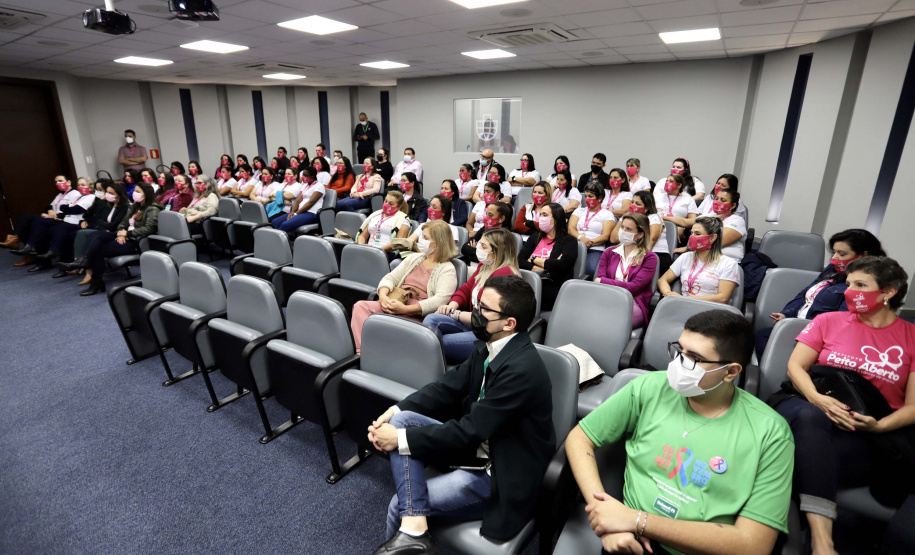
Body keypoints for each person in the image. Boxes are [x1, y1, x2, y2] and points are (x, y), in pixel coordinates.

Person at [566, 310, 794, 555]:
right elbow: (580, 438)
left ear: (730, 372)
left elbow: (753, 545)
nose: (678, 363)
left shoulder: (770, 432)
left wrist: (637, 520)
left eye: (694, 357)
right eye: (680, 350)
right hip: (628, 542)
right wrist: (607, 519)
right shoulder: (650, 388)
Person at [370, 275, 553, 555]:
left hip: (499, 471)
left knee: (398, 506)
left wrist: (399, 440)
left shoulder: (522, 371)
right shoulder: (490, 345)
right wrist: (395, 409)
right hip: (478, 447)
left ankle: (412, 528)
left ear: (509, 323)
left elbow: (470, 429)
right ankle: (415, 527)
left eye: (484, 309)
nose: (474, 312)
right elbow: (447, 386)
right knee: (401, 420)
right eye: (477, 304)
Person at [776, 257, 915, 555]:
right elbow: (795, 367)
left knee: (796, 460)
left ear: (888, 292)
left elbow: (912, 406)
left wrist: (878, 426)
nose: (850, 292)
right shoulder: (827, 321)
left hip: (864, 430)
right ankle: (823, 541)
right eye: (849, 284)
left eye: (861, 285)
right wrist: (818, 398)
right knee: (809, 417)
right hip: (805, 406)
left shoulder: (911, 337)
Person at [754, 229, 885, 359]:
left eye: (842, 254)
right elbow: (805, 294)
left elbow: (843, 322)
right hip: (797, 325)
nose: (834, 258)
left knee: (768, 341)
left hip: (817, 335)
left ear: (864, 256)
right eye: (834, 252)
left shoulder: (864, 286)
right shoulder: (832, 270)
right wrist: (787, 314)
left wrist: (801, 328)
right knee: (762, 336)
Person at [350, 220, 458, 353]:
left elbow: (440, 300)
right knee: (360, 306)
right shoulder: (415, 258)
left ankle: (379, 353)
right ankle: (362, 352)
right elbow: (390, 278)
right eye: (422, 236)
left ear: (438, 243)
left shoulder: (447, 269)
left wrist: (405, 309)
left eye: (425, 238)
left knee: (390, 324)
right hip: (396, 301)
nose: (420, 240)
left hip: (416, 312)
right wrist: (383, 296)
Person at [423, 227, 520, 364]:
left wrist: (454, 314)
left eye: (484, 246)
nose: (478, 248)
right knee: (431, 321)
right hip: (472, 323)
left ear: (497, 252)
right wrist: (452, 305)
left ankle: (427, 366)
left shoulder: (505, 274)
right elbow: (466, 289)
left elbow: (485, 317)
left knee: (436, 344)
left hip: (489, 333)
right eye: (480, 244)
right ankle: (426, 363)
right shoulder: (485, 265)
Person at [81, 182, 161, 296]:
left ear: (146, 194)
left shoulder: (152, 209)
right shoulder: (135, 206)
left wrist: (127, 233)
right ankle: (84, 262)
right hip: (124, 236)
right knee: (95, 235)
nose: (134, 193)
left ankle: (93, 278)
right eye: (135, 191)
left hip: (136, 241)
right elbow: (123, 223)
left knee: (97, 249)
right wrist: (121, 233)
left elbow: (149, 228)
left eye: (138, 192)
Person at [595, 213, 659, 329]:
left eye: (628, 229)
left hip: (633, 302)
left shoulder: (649, 258)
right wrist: (602, 282)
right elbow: (601, 285)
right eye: (622, 227)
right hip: (607, 298)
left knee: (610, 320)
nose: (623, 231)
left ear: (640, 235)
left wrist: (603, 281)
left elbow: (634, 287)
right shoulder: (608, 252)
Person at [56, 182, 129, 281]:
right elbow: (91, 214)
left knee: (94, 237)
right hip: (104, 229)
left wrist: (98, 220)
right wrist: (99, 208)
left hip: (114, 232)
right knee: (81, 233)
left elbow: (112, 225)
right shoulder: (109, 204)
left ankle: (83, 266)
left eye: (111, 193)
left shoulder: (124, 206)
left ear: (119, 195)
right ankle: (79, 262)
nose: (107, 195)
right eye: (107, 192)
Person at [658, 217, 740, 304]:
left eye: (697, 234)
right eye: (691, 233)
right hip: (683, 306)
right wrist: (669, 294)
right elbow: (662, 280)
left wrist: (684, 299)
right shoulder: (685, 257)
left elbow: (723, 298)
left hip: (712, 309)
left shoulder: (729, 264)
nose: (692, 237)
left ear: (712, 238)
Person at [23, 178, 97, 272]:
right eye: (78, 185)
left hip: (76, 222)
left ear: (90, 187)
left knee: (59, 228)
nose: (79, 187)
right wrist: (66, 207)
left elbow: (75, 210)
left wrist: (67, 207)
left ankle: (54, 252)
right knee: (45, 228)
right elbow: (62, 207)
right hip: (67, 220)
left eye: (83, 185)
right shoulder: (80, 197)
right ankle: (41, 255)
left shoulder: (90, 197)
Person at [5, 176, 82, 266]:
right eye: (56, 182)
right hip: (52, 217)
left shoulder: (75, 194)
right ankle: (18, 240)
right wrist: (49, 211)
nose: (58, 183)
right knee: (25, 218)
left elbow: (72, 209)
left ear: (68, 182)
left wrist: (55, 215)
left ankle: (26, 245)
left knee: (38, 223)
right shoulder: (60, 195)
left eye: (60, 181)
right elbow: (49, 207)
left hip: (63, 219)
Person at [519, 202, 578, 311]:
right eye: (540, 214)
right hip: (528, 281)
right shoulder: (535, 237)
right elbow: (519, 260)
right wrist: (543, 270)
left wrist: (533, 259)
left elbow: (562, 265)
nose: (541, 218)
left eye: (545, 215)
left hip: (552, 286)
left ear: (555, 220)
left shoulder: (569, 241)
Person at [613, 190, 672, 276]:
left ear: (646, 208)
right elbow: (613, 239)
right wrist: (623, 219)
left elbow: (651, 241)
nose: (633, 205)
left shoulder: (653, 217)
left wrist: (636, 258)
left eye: (638, 204)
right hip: (630, 254)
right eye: (632, 202)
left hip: (656, 255)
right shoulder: (627, 218)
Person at [569, 182, 615, 278]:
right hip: (576, 245)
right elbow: (571, 229)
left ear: (600, 198)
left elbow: (605, 236)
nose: (586, 199)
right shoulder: (579, 210)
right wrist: (581, 238)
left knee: (591, 270)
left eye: (590, 196)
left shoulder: (607, 214)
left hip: (595, 248)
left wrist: (589, 242)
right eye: (585, 196)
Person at [357, 191, 411, 257]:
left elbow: (398, 242)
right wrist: (362, 246)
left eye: (391, 204)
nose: (386, 204)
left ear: (398, 207)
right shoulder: (375, 215)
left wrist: (378, 251)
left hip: (387, 253)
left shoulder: (403, 219)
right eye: (385, 201)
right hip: (368, 250)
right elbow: (362, 236)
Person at [273, 168, 325, 233]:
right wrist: (292, 212)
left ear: (312, 176)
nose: (303, 177)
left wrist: (296, 213)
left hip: (311, 213)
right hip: (300, 212)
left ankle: (281, 239)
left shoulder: (319, 186)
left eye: (306, 175)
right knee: (275, 222)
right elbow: (298, 200)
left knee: (285, 225)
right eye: (303, 175)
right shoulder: (304, 186)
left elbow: (311, 202)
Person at [657, 173, 699, 243]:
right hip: (657, 225)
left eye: (671, 181)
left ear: (679, 185)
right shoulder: (656, 197)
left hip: (678, 228)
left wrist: (666, 219)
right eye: (667, 181)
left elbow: (692, 221)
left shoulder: (688, 199)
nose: (667, 183)